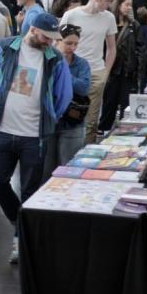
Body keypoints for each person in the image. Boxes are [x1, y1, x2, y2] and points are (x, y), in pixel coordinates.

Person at [0, 13, 72, 264]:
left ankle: (19, 240)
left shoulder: (55, 59)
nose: (50, 42)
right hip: (3, 129)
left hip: (34, 135)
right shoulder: (4, 47)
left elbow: (63, 95)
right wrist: (2, 104)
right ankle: (20, 220)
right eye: (47, 37)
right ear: (32, 30)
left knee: (29, 189)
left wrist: (50, 117)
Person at [60, 0, 118, 144]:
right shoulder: (72, 15)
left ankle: (86, 154)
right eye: (107, 1)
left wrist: (106, 72)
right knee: (68, 115)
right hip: (73, 71)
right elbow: (59, 43)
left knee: (91, 120)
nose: (109, 5)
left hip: (96, 71)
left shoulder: (108, 18)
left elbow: (112, 48)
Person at [43, 24, 91, 180]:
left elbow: (83, 88)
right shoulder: (46, 60)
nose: (73, 47)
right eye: (68, 43)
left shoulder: (82, 64)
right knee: (46, 171)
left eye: (76, 43)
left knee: (69, 170)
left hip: (73, 123)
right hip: (49, 122)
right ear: (58, 41)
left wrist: (61, 73)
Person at [98, 0, 144, 131]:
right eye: (127, 4)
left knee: (127, 104)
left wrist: (139, 70)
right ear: (118, 5)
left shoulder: (133, 25)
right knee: (109, 103)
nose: (130, 8)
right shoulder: (107, 23)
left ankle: (125, 130)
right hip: (112, 70)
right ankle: (103, 129)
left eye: (131, 5)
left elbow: (140, 48)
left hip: (128, 71)